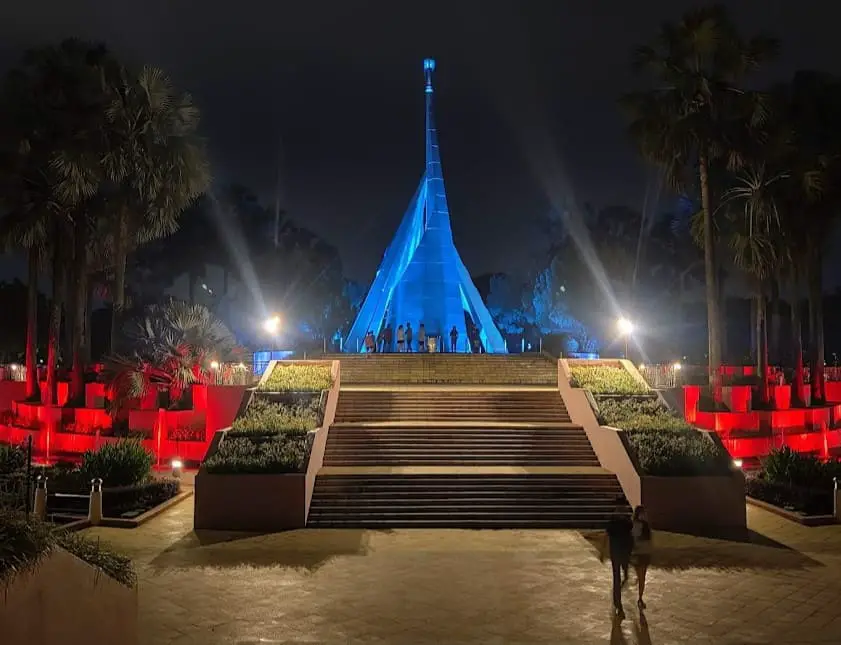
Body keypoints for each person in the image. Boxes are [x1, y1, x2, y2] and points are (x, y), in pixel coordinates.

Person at [600, 497, 633, 620]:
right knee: (617, 577)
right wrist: (603, 552)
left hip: (623, 552)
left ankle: (617, 597)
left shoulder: (627, 521)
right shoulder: (614, 521)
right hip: (617, 553)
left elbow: (632, 537)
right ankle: (617, 601)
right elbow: (606, 536)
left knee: (622, 576)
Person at [632, 505, 652, 610]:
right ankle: (639, 597)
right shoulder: (637, 525)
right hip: (638, 553)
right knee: (641, 577)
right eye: (642, 513)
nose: (644, 515)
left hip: (644, 553)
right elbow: (634, 539)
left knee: (642, 578)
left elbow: (649, 541)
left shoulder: (645, 525)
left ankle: (640, 597)